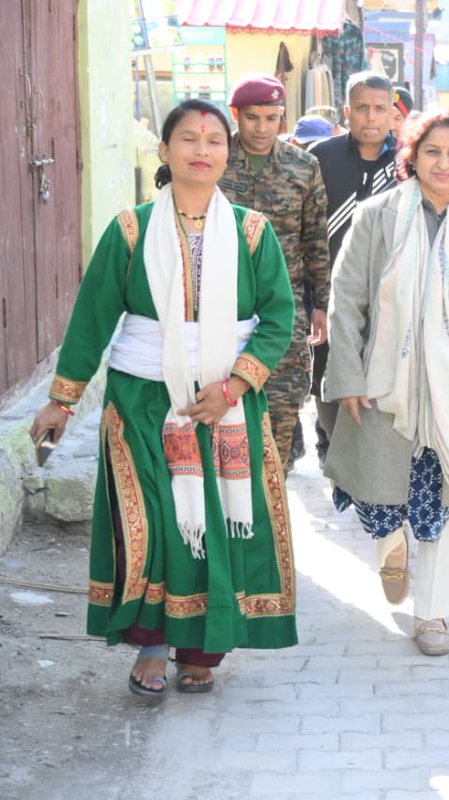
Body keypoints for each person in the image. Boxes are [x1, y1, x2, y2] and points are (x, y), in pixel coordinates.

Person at [29, 99, 297, 697]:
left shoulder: (254, 232)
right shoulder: (130, 229)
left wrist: (232, 386)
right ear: (165, 150)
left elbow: (279, 317)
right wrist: (62, 400)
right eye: (188, 138)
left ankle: (200, 650)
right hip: (143, 399)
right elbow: (93, 319)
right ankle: (151, 643)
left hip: (226, 406)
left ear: (228, 154)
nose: (203, 149)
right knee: (153, 522)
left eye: (214, 140)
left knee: (216, 527)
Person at [323, 109, 449, 656]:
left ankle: (434, 615)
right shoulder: (377, 216)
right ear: (413, 156)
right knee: (380, 496)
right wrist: (346, 376)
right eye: (432, 151)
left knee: (448, 504)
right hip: (384, 385)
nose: (443, 162)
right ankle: (391, 547)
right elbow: (347, 304)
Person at [220, 74, 331, 474]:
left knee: (281, 411)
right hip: (218, 306)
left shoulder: (303, 166)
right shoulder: (214, 160)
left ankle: (272, 501)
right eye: (252, 117)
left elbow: (315, 238)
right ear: (236, 115)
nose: (262, 127)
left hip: (282, 308)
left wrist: (321, 303)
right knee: (219, 408)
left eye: (272, 117)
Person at [309, 71, 399, 465]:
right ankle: (336, 447)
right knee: (327, 379)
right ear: (347, 111)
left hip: (390, 297)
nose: (371, 117)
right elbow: (307, 233)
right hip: (331, 298)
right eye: (362, 108)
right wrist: (315, 300)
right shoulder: (320, 157)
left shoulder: (407, 161)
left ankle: (374, 461)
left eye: (380, 109)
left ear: (393, 113)